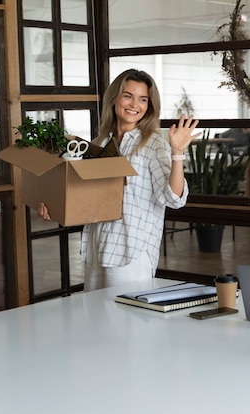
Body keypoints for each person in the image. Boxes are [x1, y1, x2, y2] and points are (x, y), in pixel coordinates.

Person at [39, 68, 201, 291]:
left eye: (143, 99)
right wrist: (54, 209)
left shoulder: (154, 145)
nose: (135, 105)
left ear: (149, 106)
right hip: (97, 248)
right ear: (114, 97)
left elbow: (174, 199)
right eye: (128, 96)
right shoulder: (100, 143)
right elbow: (86, 199)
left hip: (131, 252)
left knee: (128, 323)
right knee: (96, 321)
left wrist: (177, 153)